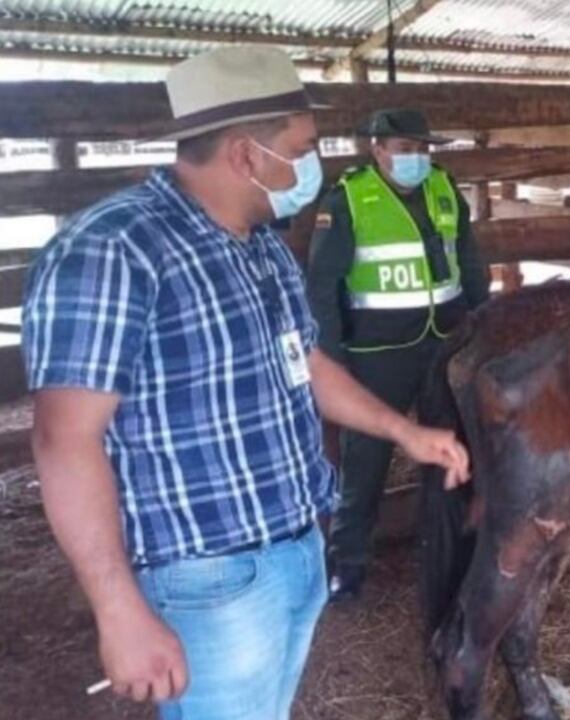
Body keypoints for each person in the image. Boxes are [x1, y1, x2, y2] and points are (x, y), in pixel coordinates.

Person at [22, 47, 470, 720]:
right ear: (244, 155)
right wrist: (118, 609)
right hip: (206, 579)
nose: (312, 166)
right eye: (303, 147)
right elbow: (64, 440)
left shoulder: (261, 245)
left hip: (294, 544)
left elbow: (308, 363)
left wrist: (404, 431)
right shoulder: (112, 251)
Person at [306, 109, 490, 602]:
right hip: (378, 351)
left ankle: (453, 547)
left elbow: (468, 259)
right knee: (365, 459)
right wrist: (332, 356)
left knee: (452, 447)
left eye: (423, 150)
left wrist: (484, 320)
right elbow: (322, 284)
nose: (416, 159)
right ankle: (349, 562)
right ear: (379, 150)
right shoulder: (348, 199)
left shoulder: (445, 189)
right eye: (406, 150)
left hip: (446, 343)